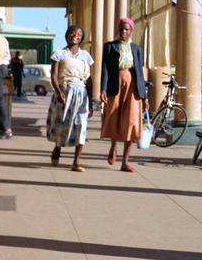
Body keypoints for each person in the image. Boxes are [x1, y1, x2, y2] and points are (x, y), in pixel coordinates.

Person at [101, 17, 148, 172]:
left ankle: (125, 162)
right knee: (113, 116)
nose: (123, 32)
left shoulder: (136, 48)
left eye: (126, 29)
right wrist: (103, 89)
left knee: (132, 121)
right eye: (121, 29)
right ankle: (113, 146)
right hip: (115, 84)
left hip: (132, 85)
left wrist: (144, 97)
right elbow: (105, 69)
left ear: (131, 31)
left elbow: (140, 73)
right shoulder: (109, 47)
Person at [47, 25, 93, 171]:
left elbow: (89, 80)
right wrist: (58, 91)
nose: (75, 36)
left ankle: (76, 162)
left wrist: (91, 102)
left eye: (79, 34)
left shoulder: (85, 56)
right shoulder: (59, 54)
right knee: (62, 124)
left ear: (82, 38)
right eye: (72, 33)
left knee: (82, 126)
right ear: (67, 35)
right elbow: (53, 75)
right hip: (64, 92)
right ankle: (57, 148)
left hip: (81, 94)